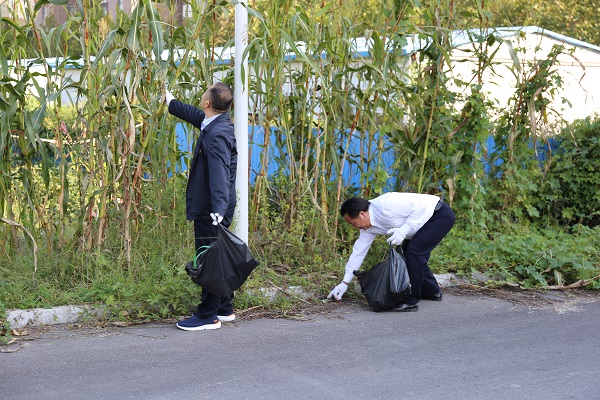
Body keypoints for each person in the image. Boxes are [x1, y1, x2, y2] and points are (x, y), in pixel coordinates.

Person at [165, 82, 238, 330]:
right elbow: (196, 116)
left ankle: (208, 315)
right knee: (216, 255)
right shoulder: (216, 123)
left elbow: (219, 174)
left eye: (206, 90)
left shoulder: (216, 135)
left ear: (208, 102)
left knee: (209, 259)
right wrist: (171, 102)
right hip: (217, 204)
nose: (204, 91)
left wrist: (218, 210)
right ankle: (224, 307)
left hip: (213, 207)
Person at [328, 192, 455, 312]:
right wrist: (345, 282)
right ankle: (432, 292)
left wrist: (403, 230)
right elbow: (358, 252)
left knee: (414, 252)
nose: (355, 227)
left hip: (439, 215)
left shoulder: (386, 204)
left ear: (362, 214)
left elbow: (421, 207)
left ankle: (411, 300)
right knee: (409, 252)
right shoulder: (368, 228)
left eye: (353, 223)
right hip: (422, 224)